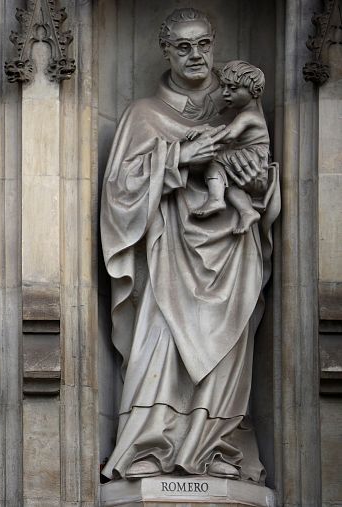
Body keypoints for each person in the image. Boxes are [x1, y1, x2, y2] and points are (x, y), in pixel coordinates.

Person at [100, 8, 280, 481]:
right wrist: (179, 157)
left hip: (231, 249)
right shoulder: (144, 115)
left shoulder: (238, 111)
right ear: (166, 50)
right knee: (161, 345)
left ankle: (214, 446)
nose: (195, 54)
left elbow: (262, 179)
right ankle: (149, 444)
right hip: (168, 254)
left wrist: (257, 180)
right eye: (183, 46)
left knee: (227, 351)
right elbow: (119, 192)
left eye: (203, 44)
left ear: (214, 45)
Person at [188, 60, 270, 235]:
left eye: (233, 89)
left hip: (252, 158)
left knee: (214, 161)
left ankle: (216, 199)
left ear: (254, 92)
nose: (225, 93)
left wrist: (206, 139)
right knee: (229, 183)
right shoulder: (246, 114)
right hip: (250, 159)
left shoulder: (248, 116)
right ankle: (247, 211)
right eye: (224, 87)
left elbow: (230, 135)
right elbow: (229, 131)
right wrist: (206, 129)